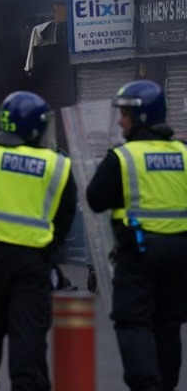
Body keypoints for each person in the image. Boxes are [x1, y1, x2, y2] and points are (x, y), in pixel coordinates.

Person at [0, 91, 77, 391]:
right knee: (29, 353)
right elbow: (65, 215)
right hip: (32, 266)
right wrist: (47, 246)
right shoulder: (55, 165)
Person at [87, 79, 187, 391]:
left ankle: (147, 386)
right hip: (180, 254)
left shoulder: (123, 157)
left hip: (139, 253)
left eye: (126, 114)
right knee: (168, 325)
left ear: (141, 117)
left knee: (134, 322)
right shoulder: (183, 153)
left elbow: (95, 198)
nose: (120, 120)